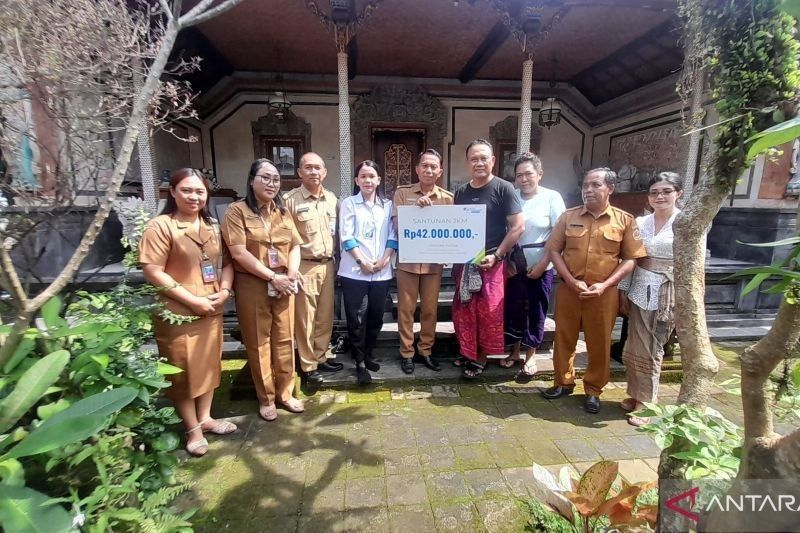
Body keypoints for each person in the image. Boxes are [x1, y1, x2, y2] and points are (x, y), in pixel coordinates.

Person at [139, 168, 236, 457]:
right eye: (187, 190)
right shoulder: (161, 226)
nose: (194, 196)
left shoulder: (212, 227)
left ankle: (206, 417)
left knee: (208, 365)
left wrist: (225, 291)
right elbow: (152, 270)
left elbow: (228, 263)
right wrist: (192, 301)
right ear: (173, 192)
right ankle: (192, 428)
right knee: (182, 370)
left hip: (211, 306)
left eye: (199, 191)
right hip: (178, 312)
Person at [543, 168, 646, 413]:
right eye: (585, 185)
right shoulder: (568, 217)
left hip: (604, 293)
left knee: (599, 342)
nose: (588, 190)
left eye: (595, 185)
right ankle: (562, 382)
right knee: (564, 338)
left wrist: (605, 285)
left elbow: (631, 259)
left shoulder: (624, 220)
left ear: (610, 188)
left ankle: (593, 390)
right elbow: (554, 250)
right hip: (570, 290)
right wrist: (568, 279)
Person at [222, 158, 305, 421]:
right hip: (253, 284)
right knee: (259, 342)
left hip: (283, 284)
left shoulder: (282, 212)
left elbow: (294, 245)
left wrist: (290, 275)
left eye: (276, 179)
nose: (272, 183)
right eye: (266, 178)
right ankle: (266, 398)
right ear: (251, 180)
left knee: (284, 338)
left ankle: (286, 393)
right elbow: (238, 252)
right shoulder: (236, 211)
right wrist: (271, 276)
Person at [452, 139, 524, 379]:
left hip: (492, 262)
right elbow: (455, 226)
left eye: (484, 158)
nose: (479, 163)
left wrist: (497, 255)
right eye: (474, 159)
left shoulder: (504, 188)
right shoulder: (461, 192)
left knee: (488, 312)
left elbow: (517, 227)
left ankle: (480, 357)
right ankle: (468, 350)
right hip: (466, 262)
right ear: (468, 162)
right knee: (465, 310)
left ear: (493, 160)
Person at [620, 172, 683, 426]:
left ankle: (647, 401)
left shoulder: (686, 223)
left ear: (678, 193)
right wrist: (623, 288)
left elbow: (696, 261)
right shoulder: (640, 222)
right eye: (655, 192)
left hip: (667, 292)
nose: (660, 196)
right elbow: (630, 256)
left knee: (653, 346)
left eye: (666, 191)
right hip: (639, 287)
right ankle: (634, 394)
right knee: (635, 344)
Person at [502, 152, 565, 381]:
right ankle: (515, 350)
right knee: (515, 308)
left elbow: (559, 235)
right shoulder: (511, 196)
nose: (524, 179)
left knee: (536, 310)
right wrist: (507, 261)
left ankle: (531, 355)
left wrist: (543, 263)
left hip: (542, 262)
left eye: (528, 173)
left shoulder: (552, 197)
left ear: (539, 174)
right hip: (514, 264)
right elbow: (506, 231)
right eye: (519, 175)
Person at [392, 149, 454, 374]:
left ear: (440, 171)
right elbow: (398, 228)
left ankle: (425, 350)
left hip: (433, 264)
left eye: (433, 166)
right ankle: (407, 353)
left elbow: (451, 230)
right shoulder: (402, 194)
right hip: (407, 263)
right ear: (417, 169)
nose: (428, 170)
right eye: (424, 166)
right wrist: (415, 211)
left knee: (430, 310)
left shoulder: (448, 198)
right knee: (406, 310)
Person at [284, 152, 343, 386]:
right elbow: (284, 239)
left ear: (325, 172)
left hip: (328, 265)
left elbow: (337, 234)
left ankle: (321, 356)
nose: (314, 172)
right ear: (300, 172)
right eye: (308, 168)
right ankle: (308, 366)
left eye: (318, 168)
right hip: (304, 266)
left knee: (325, 317)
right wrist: (290, 267)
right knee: (305, 318)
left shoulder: (332, 200)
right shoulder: (290, 200)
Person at [339, 160, 397, 385]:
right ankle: (359, 361)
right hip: (355, 271)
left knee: (375, 316)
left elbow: (393, 235)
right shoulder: (349, 204)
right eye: (363, 176)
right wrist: (361, 261)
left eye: (371, 176)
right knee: (357, 317)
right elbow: (346, 235)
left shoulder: (388, 205)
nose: (367, 181)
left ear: (379, 180)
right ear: (356, 181)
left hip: (381, 272)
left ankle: (368, 351)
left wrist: (384, 260)